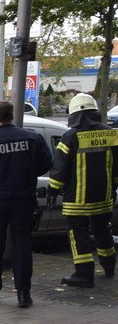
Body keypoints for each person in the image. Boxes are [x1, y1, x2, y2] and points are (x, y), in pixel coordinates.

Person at [0, 101, 52, 308]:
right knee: (22, 244)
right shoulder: (33, 138)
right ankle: (24, 295)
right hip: (24, 199)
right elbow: (46, 164)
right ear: (12, 115)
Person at [47, 93, 118, 288]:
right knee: (103, 231)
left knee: (79, 236)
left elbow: (60, 168)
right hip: (103, 198)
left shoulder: (70, 136)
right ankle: (109, 266)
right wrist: (113, 188)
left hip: (77, 200)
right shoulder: (110, 133)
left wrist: (53, 190)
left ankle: (84, 274)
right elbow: (116, 166)